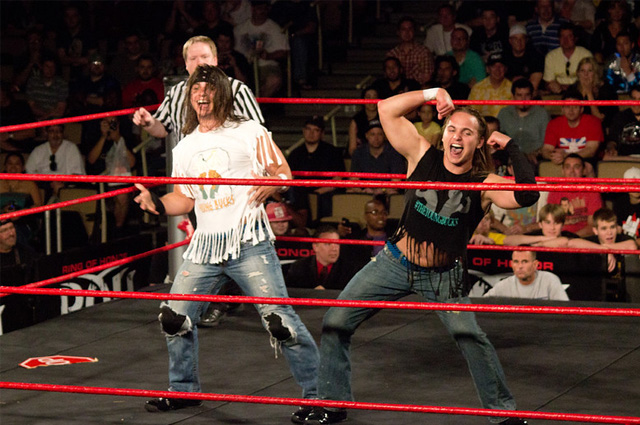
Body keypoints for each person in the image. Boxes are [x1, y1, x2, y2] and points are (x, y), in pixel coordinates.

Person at [301, 87, 538, 425]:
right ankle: (331, 403)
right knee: (335, 321)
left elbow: (528, 196)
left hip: (444, 276)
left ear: (478, 142)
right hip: (394, 263)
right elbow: (386, 109)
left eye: (467, 132)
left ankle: (504, 416)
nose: (457, 136)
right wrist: (433, 92)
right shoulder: (421, 155)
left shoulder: (483, 183)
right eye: (452, 129)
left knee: (473, 340)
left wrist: (512, 146)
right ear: (444, 136)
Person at [134, 65, 319, 421]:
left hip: (248, 239)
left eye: (208, 90)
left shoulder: (248, 131)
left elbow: (282, 171)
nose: (201, 97)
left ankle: (321, 395)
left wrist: (276, 183)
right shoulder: (186, 146)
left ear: (222, 93)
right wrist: (156, 203)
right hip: (206, 246)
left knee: (279, 320)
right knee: (173, 317)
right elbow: (184, 200)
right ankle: (183, 390)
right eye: (195, 92)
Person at [133, 35, 263, 144]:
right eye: (193, 58)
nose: (199, 63)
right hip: (189, 168)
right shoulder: (176, 93)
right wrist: (149, 123)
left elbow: (259, 132)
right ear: (186, 64)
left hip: (227, 168)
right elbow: (162, 129)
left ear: (215, 60)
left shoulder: (237, 89)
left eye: (204, 57)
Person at [287, 115, 345, 223]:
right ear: (303, 131)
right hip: (300, 196)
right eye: (308, 129)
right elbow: (290, 178)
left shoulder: (332, 152)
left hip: (324, 195)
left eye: (316, 130)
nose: (311, 133)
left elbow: (338, 179)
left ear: (322, 133)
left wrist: (317, 193)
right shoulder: (295, 154)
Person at [86, 117, 136, 234]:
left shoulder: (124, 138)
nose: (110, 125)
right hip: (100, 180)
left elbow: (132, 162)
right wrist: (104, 136)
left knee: (122, 195)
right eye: (107, 123)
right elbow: (91, 160)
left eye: (113, 123)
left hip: (120, 181)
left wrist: (118, 139)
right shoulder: (94, 136)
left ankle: (118, 230)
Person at [234, 0, 289, 97]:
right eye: (260, 9)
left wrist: (268, 56)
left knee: (274, 80)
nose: (262, 11)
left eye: (265, 8)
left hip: (267, 66)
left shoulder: (274, 28)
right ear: (252, 9)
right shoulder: (240, 29)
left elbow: (284, 51)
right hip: (245, 66)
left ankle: (256, 104)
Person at [285, 224, 357, 290]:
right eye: (328, 244)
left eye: (337, 244)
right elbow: (290, 294)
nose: (334, 249)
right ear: (315, 246)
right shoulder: (299, 267)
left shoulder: (348, 270)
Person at [541, 89, 603, 165]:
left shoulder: (593, 122)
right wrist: (554, 157)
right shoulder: (554, 124)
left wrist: (566, 156)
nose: (571, 110)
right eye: (567, 107)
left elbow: (591, 150)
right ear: (562, 109)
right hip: (561, 162)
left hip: (586, 162)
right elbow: (546, 149)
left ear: (581, 109)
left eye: (575, 107)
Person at [25, 124, 86, 201]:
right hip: (43, 184)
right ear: (47, 133)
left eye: (58, 131)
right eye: (52, 131)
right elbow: (29, 172)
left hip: (64, 184)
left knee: (59, 188)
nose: (55, 135)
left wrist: (60, 182)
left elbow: (76, 175)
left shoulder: (71, 148)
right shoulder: (38, 150)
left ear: (62, 133)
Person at [546, 154, 602, 237]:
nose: (572, 171)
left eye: (576, 167)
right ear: (563, 171)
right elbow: (549, 222)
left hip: (583, 239)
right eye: (568, 167)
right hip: (558, 238)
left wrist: (571, 239)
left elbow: (593, 226)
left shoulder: (592, 190)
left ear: (583, 171)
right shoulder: (555, 190)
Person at [568, 207, 637, 273]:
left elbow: (632, 246)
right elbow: (571, 243)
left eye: (612, 227)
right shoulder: (592, 241)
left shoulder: (623, 239)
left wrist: (606, 248)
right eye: (604, 228)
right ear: (595, 231)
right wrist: (603, 249)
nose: (609, 233)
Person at [497, 78, 550, 163]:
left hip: (534, 159)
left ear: (532, 95)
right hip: (508, 159)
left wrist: (535, 154)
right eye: (519, 95)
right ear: (513, 96)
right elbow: (498, 139)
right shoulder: (504, 113)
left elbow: (547, 142)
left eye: (527, 95)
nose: (523, 99)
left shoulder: (542, 113)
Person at [348, 119, 406, 195]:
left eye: (380, 134)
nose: (376, 138)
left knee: (393, 192)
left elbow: (396, 182)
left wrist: (383, 190)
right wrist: (362, 191)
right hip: (365, 192)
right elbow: (354, 181)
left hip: (387, 192)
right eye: (372, 134)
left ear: (384, 136)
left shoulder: (394, 152)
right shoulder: (359, 152)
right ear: (367, 136)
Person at [484, 250, 569, 301]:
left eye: (524, 262)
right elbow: (481, 304)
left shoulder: (550, 280)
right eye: (516, 262)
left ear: (535, 264)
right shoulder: (504, 285)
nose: (520, 266)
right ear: (511, 264)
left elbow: (565, 309)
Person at [543, 23, 593, 94]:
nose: (565, 40)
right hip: (558, 93)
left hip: (580, 91)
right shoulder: (551, 56)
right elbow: (548, 82)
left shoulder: (585, 54)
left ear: (575, 38)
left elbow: (590, 78)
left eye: (569, 36)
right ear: (559, 39)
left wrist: (572, 87)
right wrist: (553, 86)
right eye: (562, 36)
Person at [570, 56, 618, 130]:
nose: (586, 74)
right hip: (575, 129)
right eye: (582, 71)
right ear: (578, 73)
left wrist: (589, 93)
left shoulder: (606, 90)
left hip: (598, 129)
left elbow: (599, 118)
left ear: (595, 73)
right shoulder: (573, 89)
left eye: (590, 71)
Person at [386, 17, 434, 87]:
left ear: (414, 31)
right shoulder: (392, 54)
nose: (407, 32)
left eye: (410, 29)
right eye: (403, 29)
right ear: (398, 32)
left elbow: (427, 77)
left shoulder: (423, 52)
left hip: (417, 90)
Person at [503, 203, 577, 247]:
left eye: (556, 223)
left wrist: (540, 244)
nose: (552, 227)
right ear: (540, 224)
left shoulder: (569, 236)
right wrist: (542, 239)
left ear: (563, 225)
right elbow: (507, 240)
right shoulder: (536, 235)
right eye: (548, 222)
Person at [590, 0, 638, 65]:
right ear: (608, 10)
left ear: (624, 10)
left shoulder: (630, 29)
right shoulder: (601, 29)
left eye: (620, 8)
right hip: (606, 68)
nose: (617, 11)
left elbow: (635, 51)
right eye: (613, 8)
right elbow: (596, 52)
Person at [502, 24, 544, 97]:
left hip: (529, 97)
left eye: (522, 38)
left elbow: (533, 87)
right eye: (515, 39)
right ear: (510, 41)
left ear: (526, 40)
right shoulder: (504, 57)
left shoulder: (535, 56)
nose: (519, 42)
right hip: (507, 95)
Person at [467, 52, 512, 118]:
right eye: (493, 66)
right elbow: (471, 114)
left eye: (501, 66)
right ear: (488, 69)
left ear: (505, 69)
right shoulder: (478, 88)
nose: (497, 70)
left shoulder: (512, 88)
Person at [25, 56, 68, 121]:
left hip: (54, 121)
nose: (50, 70)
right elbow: (31, 106)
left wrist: (46, 117)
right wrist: (45, 116)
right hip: (35, 119)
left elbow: (60, 110)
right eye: (47, 66)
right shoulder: (33, 82)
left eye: (52, 67)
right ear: (42, 67)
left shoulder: (62, 84)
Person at [604, 86, 640, 160]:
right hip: (625, 157)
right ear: (629, 100)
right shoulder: (620, 117)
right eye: (634, 99)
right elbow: (612, 140)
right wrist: (611, 149)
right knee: (607, 157)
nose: (636, 103)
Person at [347, 87, 380, 156]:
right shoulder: (356, 120)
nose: (372, 100)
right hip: (364, 157)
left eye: (375, 97)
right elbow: (352, 149)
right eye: (368, 97)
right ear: (363, 100)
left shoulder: (385, 117)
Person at [611, 167, 640, 238]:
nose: (635, 187)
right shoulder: (620, 203)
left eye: (638, 183)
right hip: (624, 244)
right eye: (631, 184)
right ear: (624, 185)